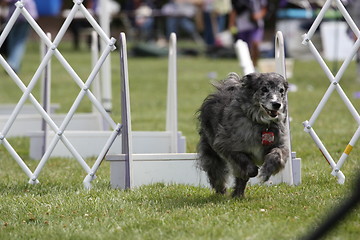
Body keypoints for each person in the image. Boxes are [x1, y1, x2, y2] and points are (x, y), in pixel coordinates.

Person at [1, 0, 38, 73]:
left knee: (17, 42)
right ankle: (13, 64)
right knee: (17, 41)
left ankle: (12, 65)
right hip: (27, 13)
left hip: (19, 14)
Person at [229, 0, 267, 67]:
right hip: (242, 26)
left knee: (255, 44)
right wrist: (231, 24)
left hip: (256, 25)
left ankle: (255, 65)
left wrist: (259, 15)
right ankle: (248, 67)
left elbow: (265, 7)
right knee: (246, 49)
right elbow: (234, 10)